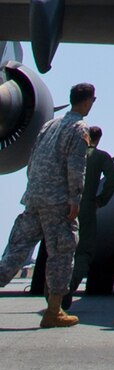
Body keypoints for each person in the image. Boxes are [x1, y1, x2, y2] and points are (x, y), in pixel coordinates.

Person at [0, 80, 95, 328]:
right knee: (62, 253)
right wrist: (75, 198)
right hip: (58, 201)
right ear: (87, 101)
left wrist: (34, 190)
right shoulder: (79, 128)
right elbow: (76, 167)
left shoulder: (49, 125)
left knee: (16, 252)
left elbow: (32, 161)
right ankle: (54, 310)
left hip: (34, 197)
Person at [67, 123, 114, 299]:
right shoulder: (101, 157)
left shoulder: (72, 154)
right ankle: (69, 285)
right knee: (84, 251)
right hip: (86, 206)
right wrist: (101, 200)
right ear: (99, 138)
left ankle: (53, 287)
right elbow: (112, 180)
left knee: (60, 248)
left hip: (63, 204)